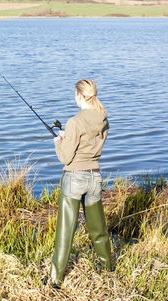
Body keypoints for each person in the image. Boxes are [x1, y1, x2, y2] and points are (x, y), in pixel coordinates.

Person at [50, 79, 113, 288]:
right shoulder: (103, 119)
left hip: (74, 178)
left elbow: (66, 158)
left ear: (79, 95)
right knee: (98, 230)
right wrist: (68, 138)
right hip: (95, 177)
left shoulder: (75, 121)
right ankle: (108, 269)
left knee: (65, 232)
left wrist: (59, 143)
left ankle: (55, 280)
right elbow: (91, 144)